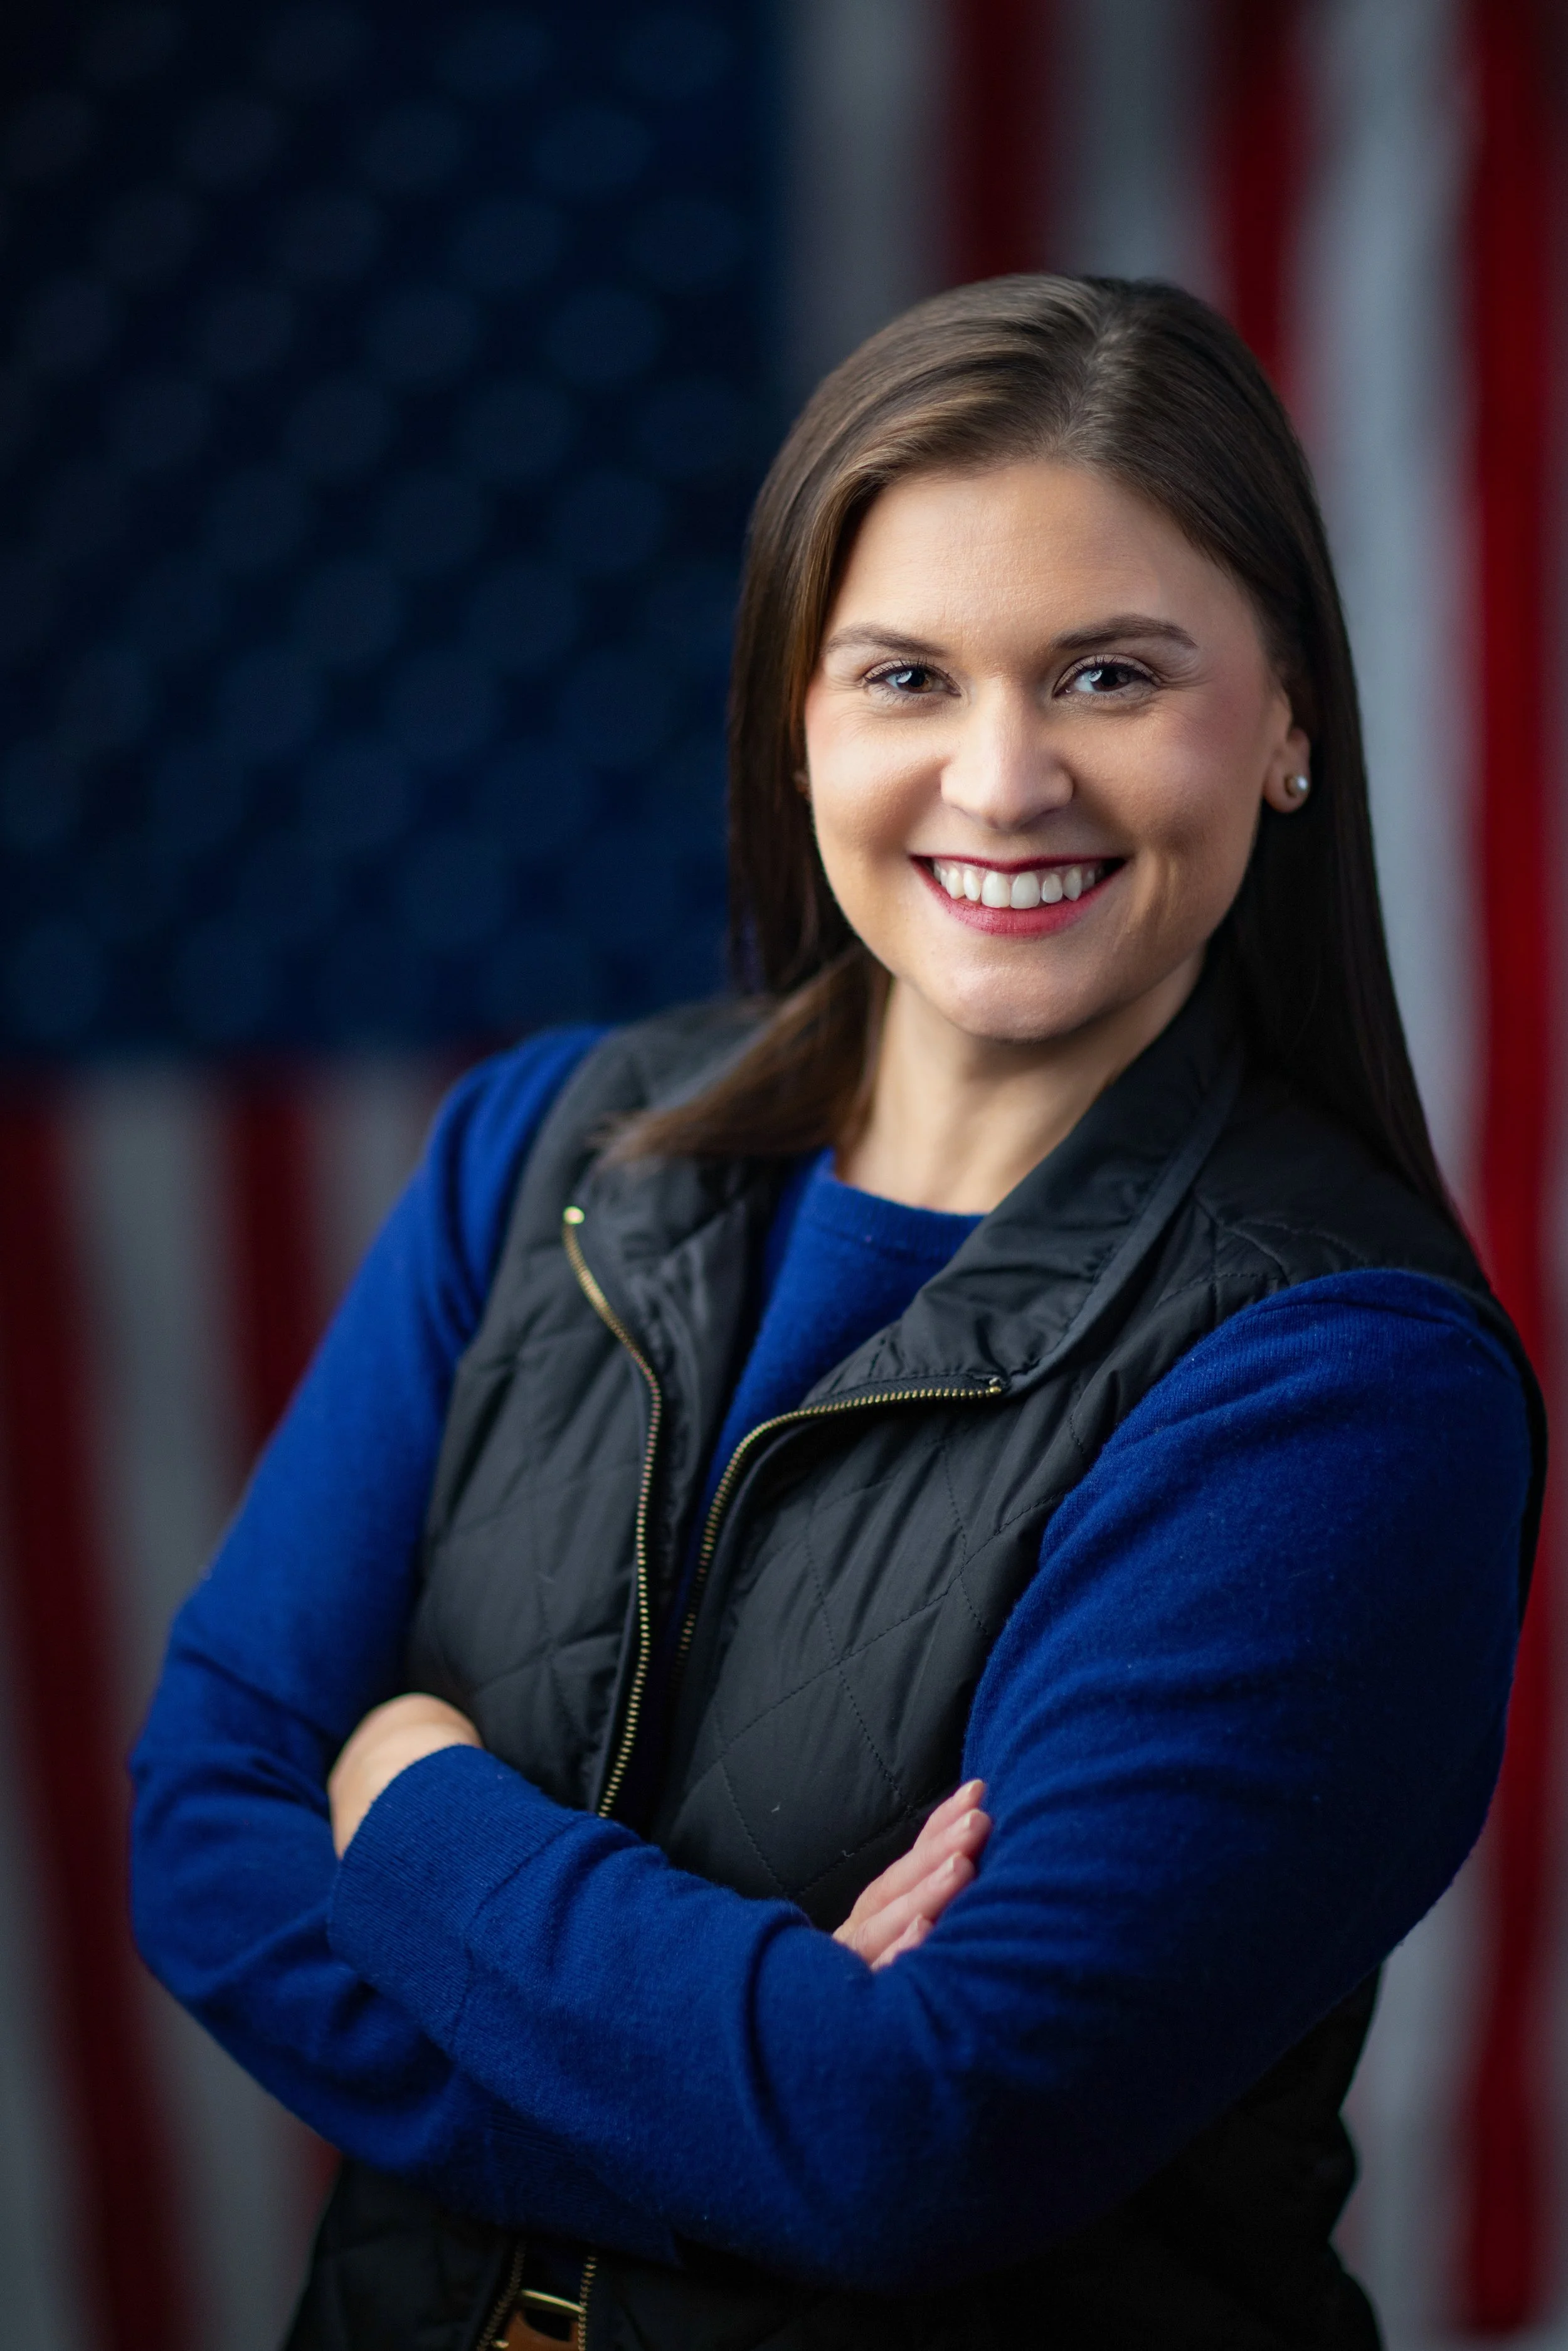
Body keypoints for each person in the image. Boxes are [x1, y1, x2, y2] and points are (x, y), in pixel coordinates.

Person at [130, 276, 1544, 2351]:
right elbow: (202, 1822)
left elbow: (918, 2136)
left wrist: (411, 1806)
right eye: (904, 675)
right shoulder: (542, 1151)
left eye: (1106, 674)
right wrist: (760, 2080)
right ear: (797, 717)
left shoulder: (1343, 1388)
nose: (1000, 776)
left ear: (1294, 721)